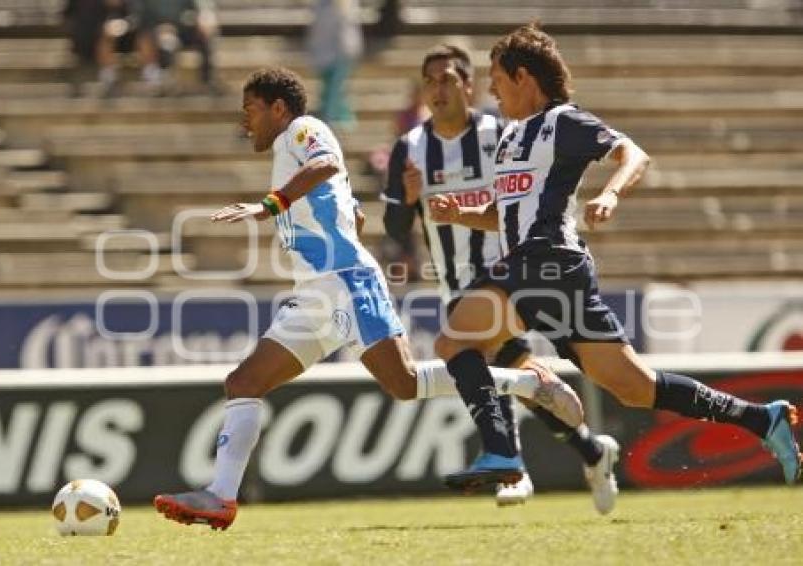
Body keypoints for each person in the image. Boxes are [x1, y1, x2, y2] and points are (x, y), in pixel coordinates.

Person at [153, 67, 584, 530]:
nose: (245, 122)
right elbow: (347, 207)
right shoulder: (287, 147)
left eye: (251, 110)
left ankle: (529, 384)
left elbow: (327, 165)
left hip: (346, 282)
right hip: (314, 293)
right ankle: (220, 497)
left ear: (278, 108)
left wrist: (269, 206)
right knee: (243, 383)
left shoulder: (303, 128)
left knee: (403, 384)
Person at [428, 24, 802, 490]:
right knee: (635, 388)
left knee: (455, 342)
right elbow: (504, 214)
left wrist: (609, 194)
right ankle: (761, 419)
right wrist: (461, 213)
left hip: (547, 261)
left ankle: (505, 440)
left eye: (497, 78)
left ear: (523, 77)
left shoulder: (565, 122)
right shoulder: (510, 139)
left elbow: (634, 155)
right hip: (549, 269)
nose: (492, 90)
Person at [383, 44, 619, 513]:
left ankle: (514, 465)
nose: (438, 89)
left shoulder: (502, 132)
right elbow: (393, 229)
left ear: (468, 85)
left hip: (508, 272)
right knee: (505, 368)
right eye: (429, 81)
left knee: (488, 360)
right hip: (453, 281)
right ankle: (590, 450)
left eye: (448, 78)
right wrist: (408, 200)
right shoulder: (410, 148)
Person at [132, 0, 219, 94]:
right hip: (157, 31)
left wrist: (200, 22)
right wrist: (161, 27)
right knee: (166, 41)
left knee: (204, 37)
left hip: (182, 29)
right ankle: (164, 82)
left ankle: (207, 80)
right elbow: (143, 16)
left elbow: (190, 12)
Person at [306, 0, 363, 128]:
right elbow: (317, 31)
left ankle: (332, 121)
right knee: (329, 91)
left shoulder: (346, 4)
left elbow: (349, 30)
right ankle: (330, 121)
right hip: (325, 54)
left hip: (341, 55)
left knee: (336, 90)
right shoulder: (320, 5)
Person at [63, 0, 134, 98]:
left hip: (115, 28)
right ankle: (78, 82)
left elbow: (125, 12)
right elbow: (68, 13)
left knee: (106, 37)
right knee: (86, 36)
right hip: (85, 29)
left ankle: (110, 82)